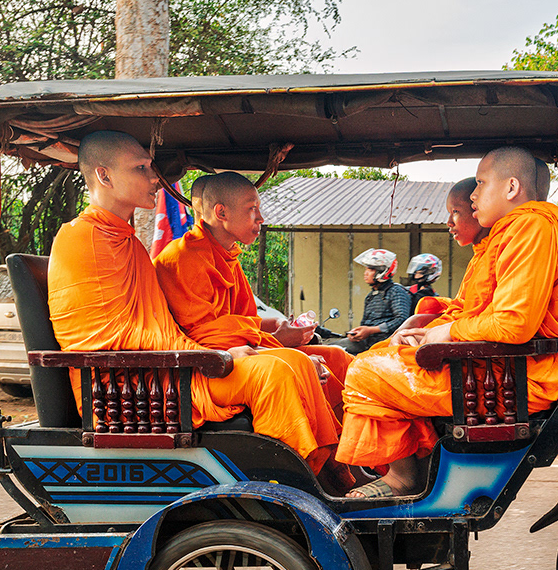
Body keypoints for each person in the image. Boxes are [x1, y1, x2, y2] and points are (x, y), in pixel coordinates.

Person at [47, 130, 340, 473]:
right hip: (128, 386)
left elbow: (153, 325)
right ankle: (284, 482)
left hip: (162, 368)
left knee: (298, 363)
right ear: (104, 175)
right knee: (274, 371)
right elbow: (111, 336)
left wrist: (235, 347)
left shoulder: (124, 239)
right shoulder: (82, 238)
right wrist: (214, 354)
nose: (154, 177)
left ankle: (329, 473)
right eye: (140, 168)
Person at [336, 146, 558, 498]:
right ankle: (421, 467)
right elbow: (477, 308)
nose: (473, 195)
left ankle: (402, 478)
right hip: (497, 366)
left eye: (481, 184)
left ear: (511, 187)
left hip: (512, 376)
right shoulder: (510, 233)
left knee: (363, 371)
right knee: (378, 355)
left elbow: (514, 324)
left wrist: (445, 332)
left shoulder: (532, 228)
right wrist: (428, 326)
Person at [153, 171, 352, 413]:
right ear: (221, 213)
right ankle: (314, 449)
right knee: (297, 363)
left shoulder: (228, 258)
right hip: (203, 369)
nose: (261, 218)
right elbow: (203, 340)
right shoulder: (182, 259)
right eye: (252, 209)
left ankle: (347, 440)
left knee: (337, 357)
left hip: (233, 356)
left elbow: (245, 322)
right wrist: (277, 342)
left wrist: (278, 325)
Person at [411, 178, 491, 319]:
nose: (449, 222)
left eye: (455, 211)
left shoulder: (493, 254)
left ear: (479, 208)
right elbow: (465, 308)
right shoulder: (479, 256)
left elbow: (478, 317)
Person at [332, 249, 413, 354]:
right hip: (367, 344)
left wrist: (371, 330)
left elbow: (402, 320)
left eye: (370, 269)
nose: (365, 273)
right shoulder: (371, 296)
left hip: (386, 345)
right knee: (331, 349)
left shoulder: (396, 291)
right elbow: (365, 324)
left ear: (382, 271)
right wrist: (357, 334)